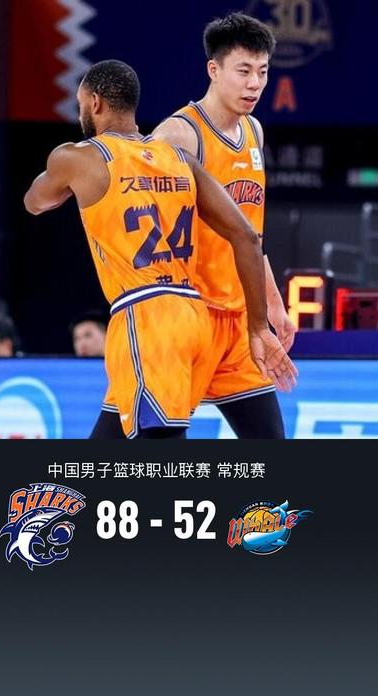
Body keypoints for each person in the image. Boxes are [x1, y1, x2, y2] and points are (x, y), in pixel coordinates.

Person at [24, 59, 296, 439]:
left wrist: (72, 183)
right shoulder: (179, 159)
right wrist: (258, 326)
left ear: (95, 102)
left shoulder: (78, 157)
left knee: (160, 453)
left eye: (81, 103)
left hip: (146, 314)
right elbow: (247, 237)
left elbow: (35, 202)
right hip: (195, 313)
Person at [148, 12, 295, 438]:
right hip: (188, 320)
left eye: (263, 72)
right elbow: (144, 232)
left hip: (239, 323)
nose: (255, 84)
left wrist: (272, 304)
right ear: (214, 70)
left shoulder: (254, 131)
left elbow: (251, 234)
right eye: (243, 71)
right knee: (150, 445)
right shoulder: (178, 135)